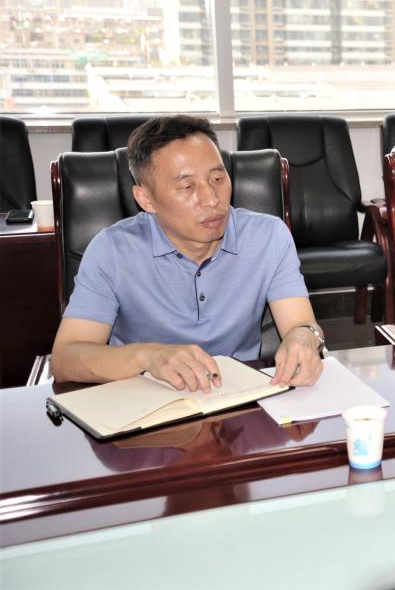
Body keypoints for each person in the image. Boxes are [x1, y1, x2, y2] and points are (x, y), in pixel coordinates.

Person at [51, 115, 325, 390]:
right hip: (147, 398)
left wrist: (304, 336)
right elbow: (65, 360)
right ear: (145, 199)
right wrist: (148, 356)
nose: (212, 199)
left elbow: (302, 325)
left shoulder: (268, 236)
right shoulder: (112, 250)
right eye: (187, 186)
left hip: (241, 395)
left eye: (218, 178)